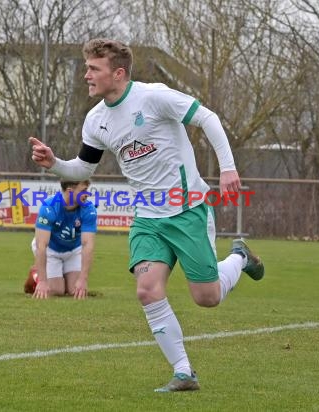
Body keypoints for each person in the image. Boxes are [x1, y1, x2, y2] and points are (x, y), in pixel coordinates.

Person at [28, 39, 264, 392]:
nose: (86, 75)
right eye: (87, 67)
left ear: (118, 73)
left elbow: (207, 118)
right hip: (147, 218)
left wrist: (228, 169)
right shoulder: (95, 120)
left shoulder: (153, 97)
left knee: (207, 297)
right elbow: (82, 168)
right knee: (147, 290)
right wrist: (55, 164)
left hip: (187, 210)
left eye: (94, 69)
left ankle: (239, 257)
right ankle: (184, 372)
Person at [24, 180, 97, 299]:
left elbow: (87, 244)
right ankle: (36, 273)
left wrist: (83, 279)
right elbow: (41, 245)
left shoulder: (89, 209)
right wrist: (42, 281)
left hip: (74, 250)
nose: (87, 194)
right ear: (70, 191)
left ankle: (61, 275)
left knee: (75, 291)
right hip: (50, 250)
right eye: (83, 191)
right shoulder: (49, 206)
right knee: (56, 290)